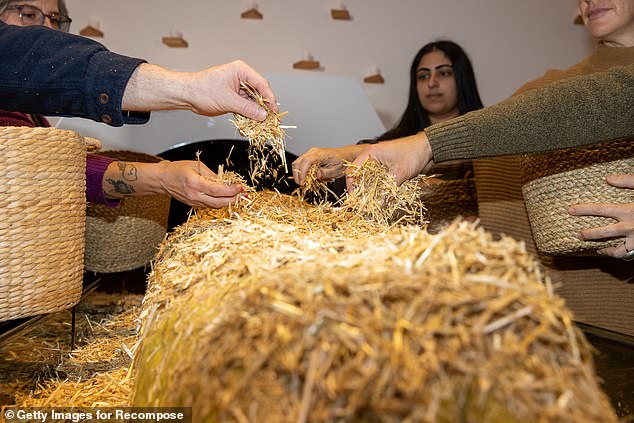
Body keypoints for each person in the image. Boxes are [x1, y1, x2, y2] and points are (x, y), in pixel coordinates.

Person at [0, 3, 277, 208]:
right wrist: (191, 89)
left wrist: (165, 176)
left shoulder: (34, 118)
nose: (47, 30)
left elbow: (60, 172)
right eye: (29, 14)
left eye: (56, 20)